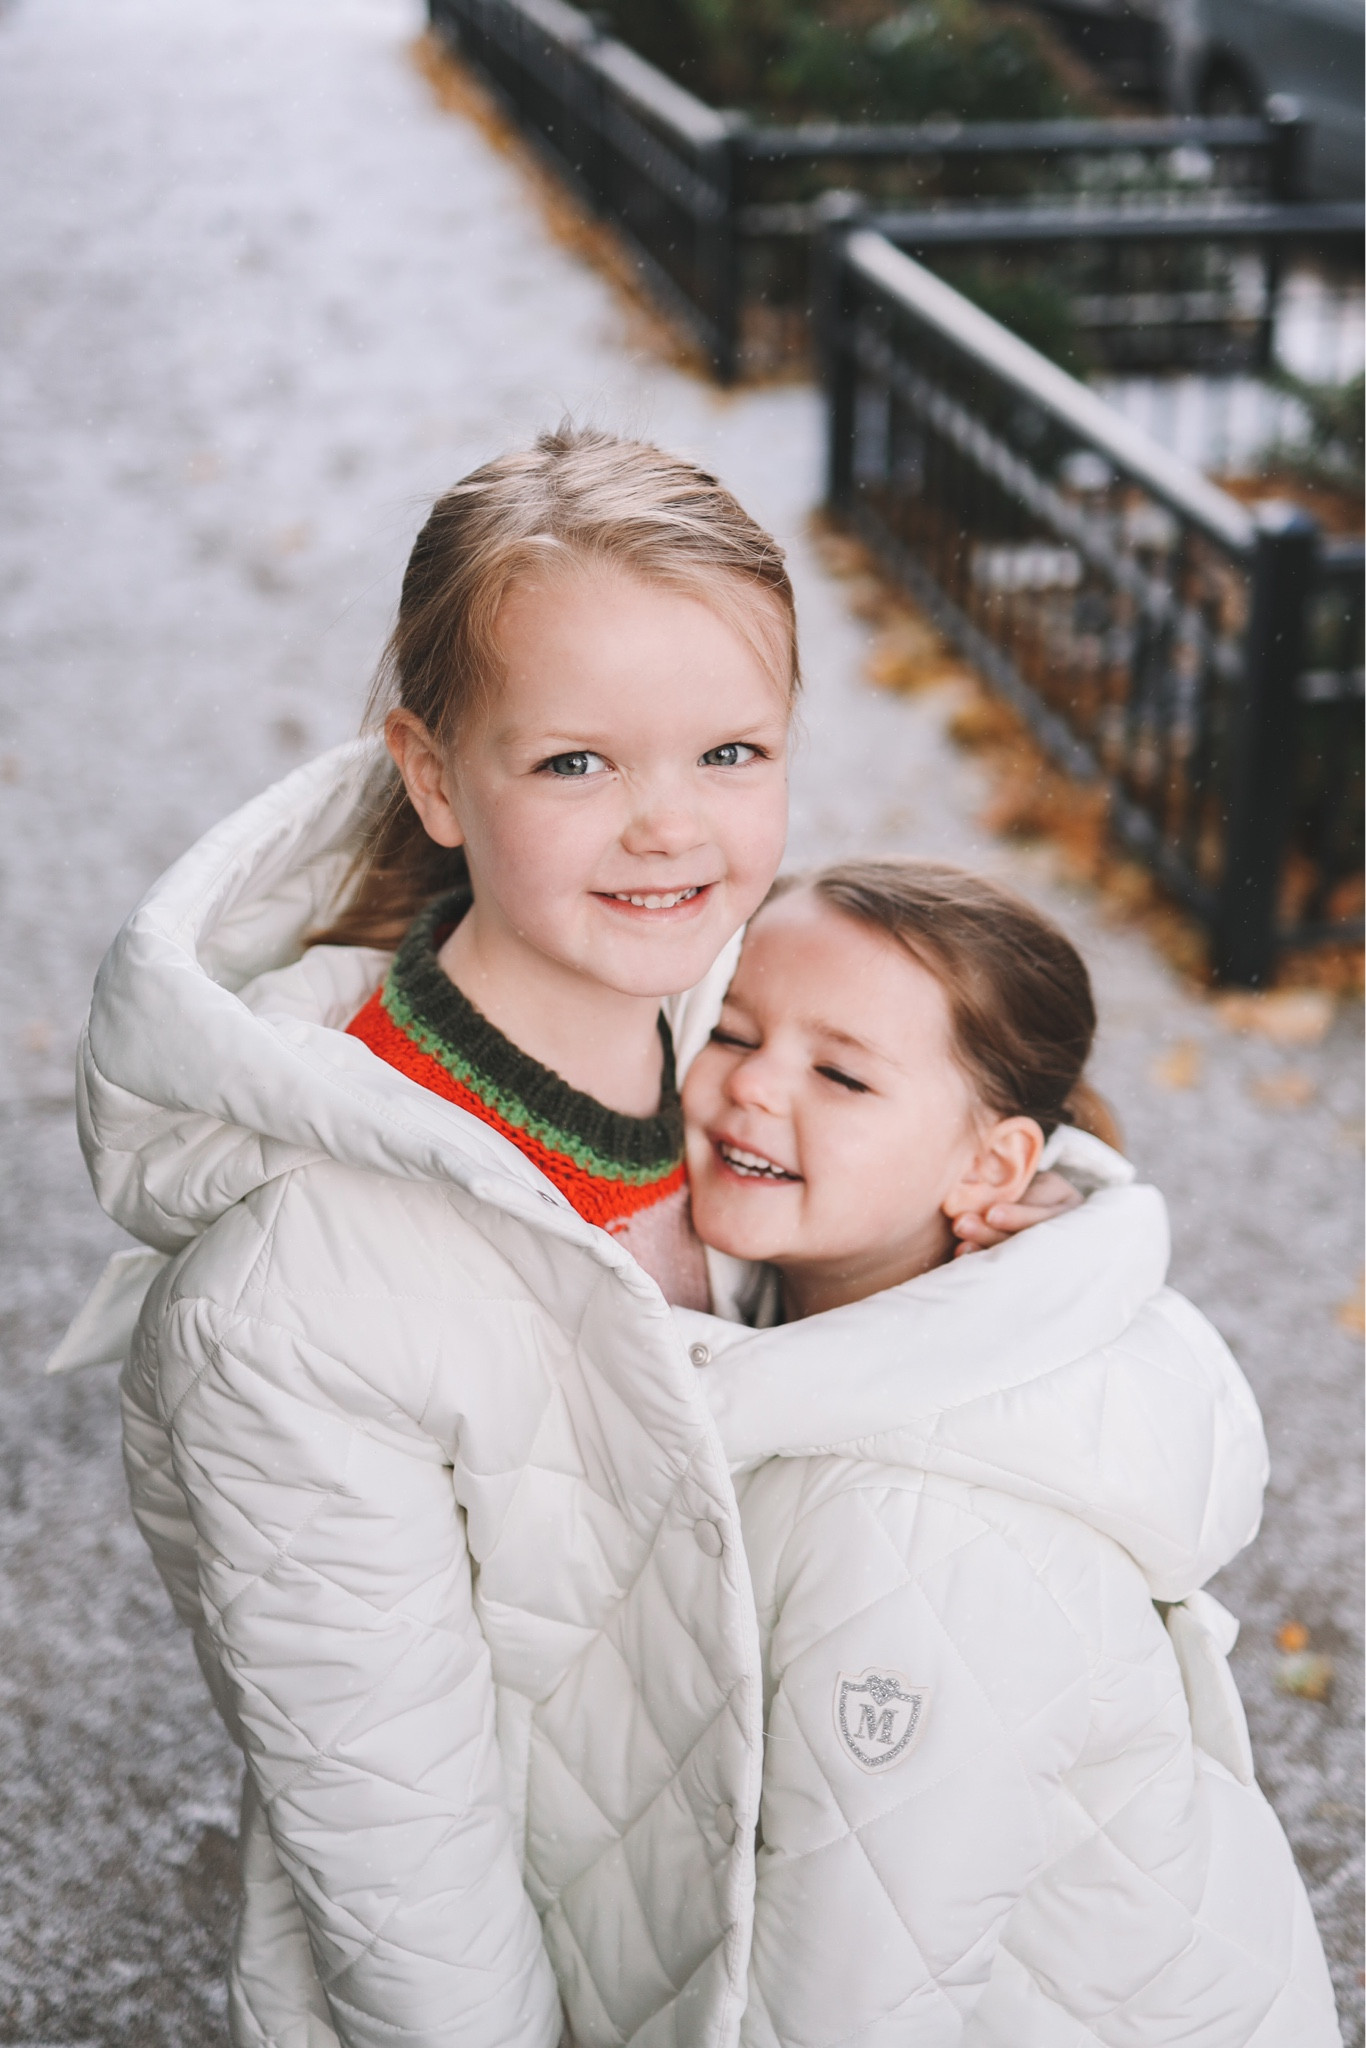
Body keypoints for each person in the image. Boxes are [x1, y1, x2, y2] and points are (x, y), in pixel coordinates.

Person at [70, 426, 1074, 2048]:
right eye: (576, 765)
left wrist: (969, 1245)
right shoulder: (293, 1297)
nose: (669, 828)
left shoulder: (727, 1017)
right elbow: (404, 1863)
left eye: (730, 752)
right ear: (432, 775)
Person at [675, 858, 1342, 2048]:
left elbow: (847, 2001)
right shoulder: (836, 1342)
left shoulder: (922, 1533)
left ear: (991, 1168)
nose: (754, 1083)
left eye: (841, 1073)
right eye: (731, 1030)